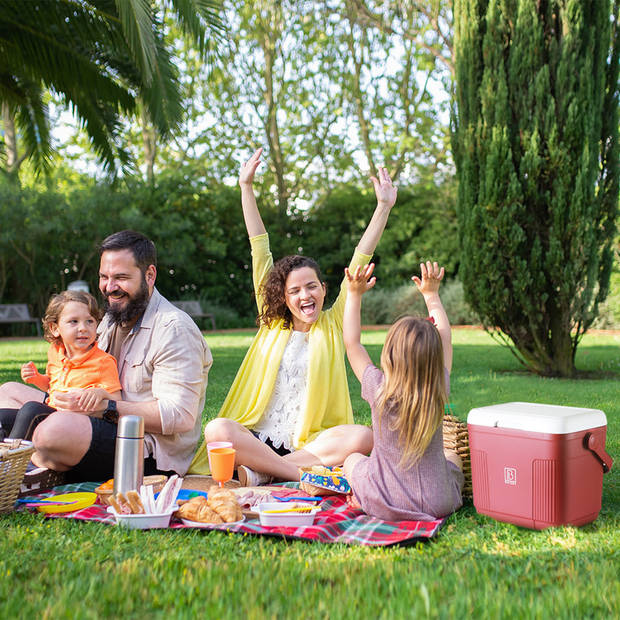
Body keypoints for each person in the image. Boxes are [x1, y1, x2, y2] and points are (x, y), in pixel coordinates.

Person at [188, 147, 397, 485]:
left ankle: (262, 474)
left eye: (311, 287)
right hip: (257, 437)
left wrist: (383, 207)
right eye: (295, 291)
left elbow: (361, 257)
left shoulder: (333, 324)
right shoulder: (271, 322)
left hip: (310, 445)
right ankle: (295, 475)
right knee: (218, 429)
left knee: (362, 437)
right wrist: (246, 187)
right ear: (283, 298)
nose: (305, 295)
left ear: (325, 289)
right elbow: (259, 246)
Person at [2, 230, 213, 482]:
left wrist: (107, 408)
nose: (110, 288)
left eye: (121, 277)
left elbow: (180, 417)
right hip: (92, 418)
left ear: (149, 275)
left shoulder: (174, 328)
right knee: (8, 392)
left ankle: (31, 465)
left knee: (52, 432)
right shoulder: (112, 319)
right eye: (104, 277)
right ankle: (36, 459)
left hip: (143, 449)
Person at [341, 261, 464, 521]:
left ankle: (360, 498)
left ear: (390, 354)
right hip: (437, 501)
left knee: (352, 460)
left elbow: (352, 344)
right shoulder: (437, 386)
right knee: (452, 455)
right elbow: (445, 337)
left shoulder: (378, 388)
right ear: (434, 358)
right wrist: (431, 295)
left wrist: (354, 295)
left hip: (384, 499)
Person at [0, 291, 121, 441]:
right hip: (53, 412)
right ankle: (8, 453)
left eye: (90, 321)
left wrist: (100, 393)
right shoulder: (55, 352)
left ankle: (12, 459)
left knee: (31, 410)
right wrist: (36, 378)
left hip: (77, 423)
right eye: (74, 321)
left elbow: (117, 399)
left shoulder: (103, 361)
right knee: (3, 417)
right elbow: (52, 386)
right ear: (55, 328)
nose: (83, 327)